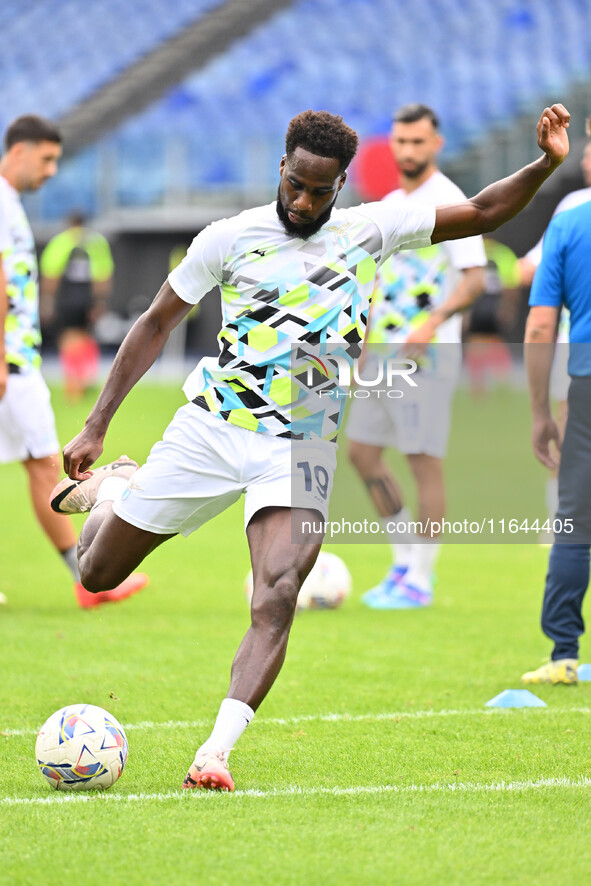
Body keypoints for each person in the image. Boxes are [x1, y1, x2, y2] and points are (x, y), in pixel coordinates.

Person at [49, 105, 570, 790]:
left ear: (341, 184)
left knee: (279, 592)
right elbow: (154, 323)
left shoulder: (369, 230)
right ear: (282, 167)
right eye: (294, 184)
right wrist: (96, 422)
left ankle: (215, 752)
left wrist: (545, 163)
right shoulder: (230, 238)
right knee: (94, 573)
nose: (302, 201)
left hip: (298, 448)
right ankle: (119, 488)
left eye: (318, 191)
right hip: (210, 429)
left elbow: (478, 212)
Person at [0, 114, 147, 609]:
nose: (51, 171)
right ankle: (86, 581)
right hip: (10, 361)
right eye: (46, 159)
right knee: (45, 463)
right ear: (18, 151)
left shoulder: (11, 204)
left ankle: (84, 581)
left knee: (43, 464)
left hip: (17, 359)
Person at [345, 104, 486, 609]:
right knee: (361, 453)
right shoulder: (388, 203)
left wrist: (431, 323)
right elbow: (376, 281)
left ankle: (422, 578)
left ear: (436, 144)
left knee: (423, 463)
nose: (408, 151)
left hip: (426, 358)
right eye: (400, 142)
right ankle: (403, 559)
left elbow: (474, 278)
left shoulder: (451, 201)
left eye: (417, 142)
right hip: (382, 356)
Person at [522, 197, 591, 685]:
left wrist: (541, 410)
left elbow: (541, 325)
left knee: (575, 522)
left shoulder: (569, 223)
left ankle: (564, 654)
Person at [519, 120, 591, 534]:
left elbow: (538, 276)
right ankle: (560, 519)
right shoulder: (572, 205)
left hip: (575, 348)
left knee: (567, 436)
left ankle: (566, 524)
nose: (583, 156)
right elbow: (535, 262)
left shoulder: (572, 214)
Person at [40, 211, 115, 401]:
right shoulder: (96, 242)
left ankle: (73, 382)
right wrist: (100, 302)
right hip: (87, 298)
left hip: (66, 297)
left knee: (68, 337)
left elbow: (51, 273)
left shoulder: (61, 241)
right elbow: (103, 274)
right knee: (85, 336)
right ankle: (86, 377)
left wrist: (47, 300)